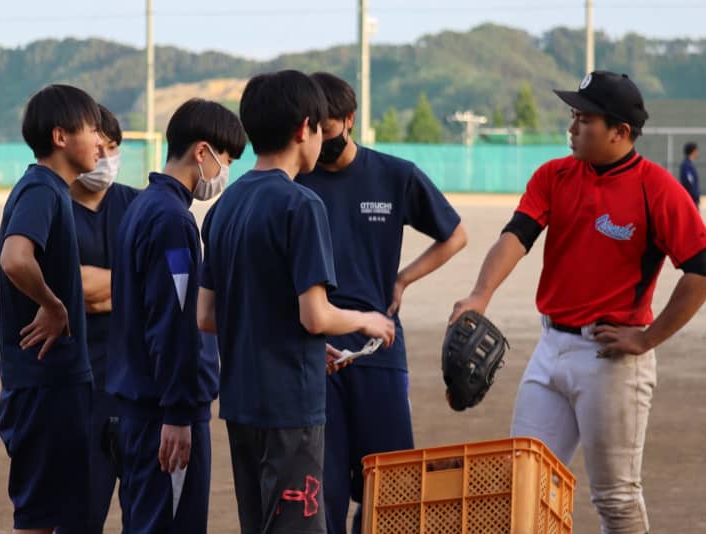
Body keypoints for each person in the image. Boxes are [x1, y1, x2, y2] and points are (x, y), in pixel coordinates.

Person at [450, 71, 706, 533]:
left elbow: (703, 272)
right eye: (573, 115)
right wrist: (480, 294)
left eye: (585, 118)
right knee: (524, 484)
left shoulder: (656, 188)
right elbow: (516, 237)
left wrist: (649, 337)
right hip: (549, 347)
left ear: (620, 132)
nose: (573, 126)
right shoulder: (554, 176)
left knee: (614, 498)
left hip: (610, 357)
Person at [197, 70, 395, 534]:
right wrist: (368, 319)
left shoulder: (224, 206)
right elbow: (316, 314)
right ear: (304, 128)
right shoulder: (301, 205)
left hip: (242, 402)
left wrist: (299, 342)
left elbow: (207, 317)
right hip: (289, 406)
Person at [295, 72, 468, 534]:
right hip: (316, 350)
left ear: (349, 120)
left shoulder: (394, 175)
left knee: (391, 484)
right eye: (312, 129)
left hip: (379, 348)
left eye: (328, 129)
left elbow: (455, 235)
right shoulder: (297, 183)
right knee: (324, 487)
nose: (319, 138)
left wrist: (404, 279)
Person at [107, 98, 245, 533]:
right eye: (225, 158)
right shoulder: (172, 221)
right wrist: (180, 413)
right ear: (201, 152)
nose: (226, 170)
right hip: (161, 413)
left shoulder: (142, 208)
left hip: (136, 407)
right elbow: (175, 323)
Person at [0, 84, 102, 533]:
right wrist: (53, 305)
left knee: (62, 513)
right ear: (61, 136)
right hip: (43, 386)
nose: (101, 141)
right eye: (93, 130)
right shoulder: (40, 188)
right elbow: (15, 258)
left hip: (57, 384)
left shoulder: (53, 191)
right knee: (39, 519)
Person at [62, 103, 138, 533]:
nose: (105, 157)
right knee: (78, 515)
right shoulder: (51, 209)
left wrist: (101, 286)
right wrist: (136, 286)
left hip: (134, 390)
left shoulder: (140, 206)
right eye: (99, 147)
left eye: (113, 148)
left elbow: (166, 290)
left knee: (144, 515)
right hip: (78, 389)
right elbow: (76, 292)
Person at [679, 141, 701, 208]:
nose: (698, 153)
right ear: (693, 151)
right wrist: (695, 196)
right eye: (696, 150)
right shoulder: (687, 165)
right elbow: (689, 182)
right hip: (690, 198)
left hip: (691, 197)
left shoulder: (689, 164)